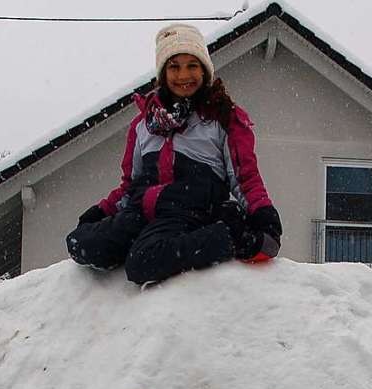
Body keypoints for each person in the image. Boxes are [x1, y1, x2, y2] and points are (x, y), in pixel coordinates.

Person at [66, 23, 282, 285]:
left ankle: (224, 235)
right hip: (141, 211)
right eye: (174, 66)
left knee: (141, 263)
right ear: (163, 73)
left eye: (192, 65)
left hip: (188, 211)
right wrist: (102, 210)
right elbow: (130, 184)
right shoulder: (143, 125)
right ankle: (140, 242)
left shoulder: (221, 118)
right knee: (81, 243)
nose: (184, 75)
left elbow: (244, 178)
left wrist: (263, 217)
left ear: (204, 70)